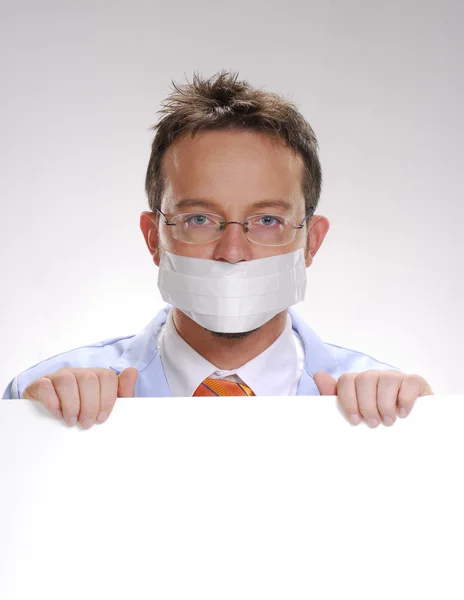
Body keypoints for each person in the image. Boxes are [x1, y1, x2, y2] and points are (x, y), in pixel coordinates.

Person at [2, 70, 433, 428]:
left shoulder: (391, 409)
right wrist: (32, 437)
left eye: (266, 220)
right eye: (199, 219)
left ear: (311, 241)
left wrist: (428, 434)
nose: (232, 251)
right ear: (155, 238)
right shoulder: (42, 400)